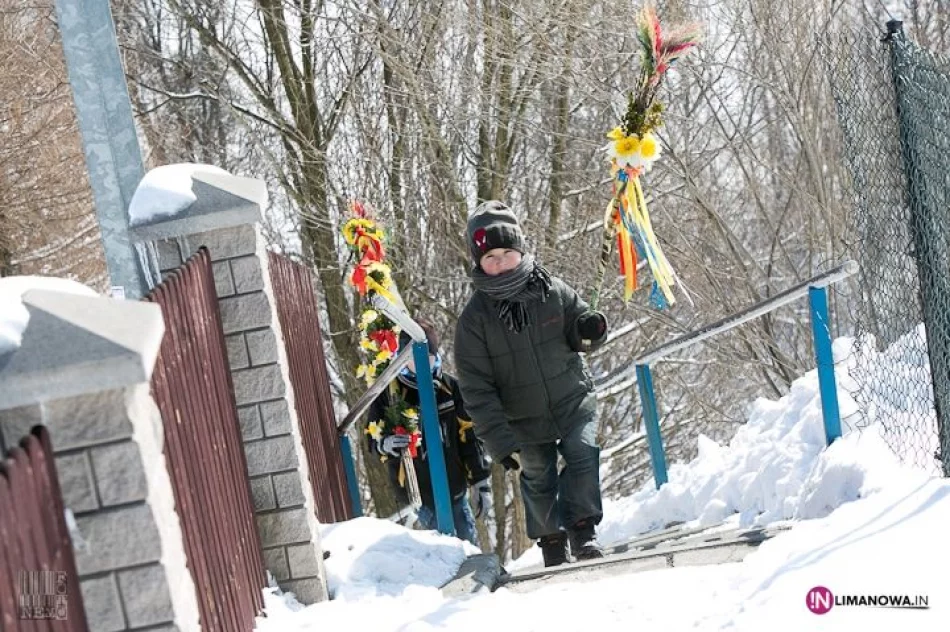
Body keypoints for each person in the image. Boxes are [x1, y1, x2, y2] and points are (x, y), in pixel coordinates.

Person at [453, 200, 610, 567]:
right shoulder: (474, 321)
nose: (501, 262)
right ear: (478, 263)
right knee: (537, 475)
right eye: (491, 257)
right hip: (521, 419)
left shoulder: (552, 290)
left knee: (583, 454)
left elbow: (581, 332)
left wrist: (591, 328)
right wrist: (501, 443)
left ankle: (583, 530)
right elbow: (476, 390)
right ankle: (552, 540)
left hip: (571, 400)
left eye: (508, 252)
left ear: (521, 250)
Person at [367, 318, 492, 546]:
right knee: (435, 554)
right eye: (415, 360)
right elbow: (372, 437)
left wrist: (480, 481)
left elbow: (469, 438)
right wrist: (386, 443)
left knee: (465, 546)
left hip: (453, 489)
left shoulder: (449, 389)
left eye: (428, 358)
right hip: (416, 496)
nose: (422, 364)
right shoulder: (390, 393)